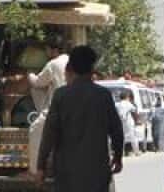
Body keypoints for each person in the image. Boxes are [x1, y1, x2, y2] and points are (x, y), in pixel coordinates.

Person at [35, 46, 125, 192]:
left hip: (67, 174)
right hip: (97, 173)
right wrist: (118, 157)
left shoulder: (61, 96)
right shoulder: (103, 96)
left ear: (70, 68)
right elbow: (117, 130)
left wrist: (41, 167)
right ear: (92, 68)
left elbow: (49, 134)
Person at [27, 36, 69, 174]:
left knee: (34, 130)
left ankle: (34, 172)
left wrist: (30, 75)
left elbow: (38, 82)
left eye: (47, 49)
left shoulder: (53, 64)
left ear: (54, 50)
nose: (46, 52)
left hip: (57, 110)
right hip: (73, 108)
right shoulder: (70, 60)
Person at [116, 89, 140, 156]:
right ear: (127, 97)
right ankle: (136, 152)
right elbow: (135, 111)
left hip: (120, 122)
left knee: (121, 138)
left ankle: (121, 152)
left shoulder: (117, 104)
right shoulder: (129, 104)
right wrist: (137, 120)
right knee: (133, 137)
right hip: (129, 123)